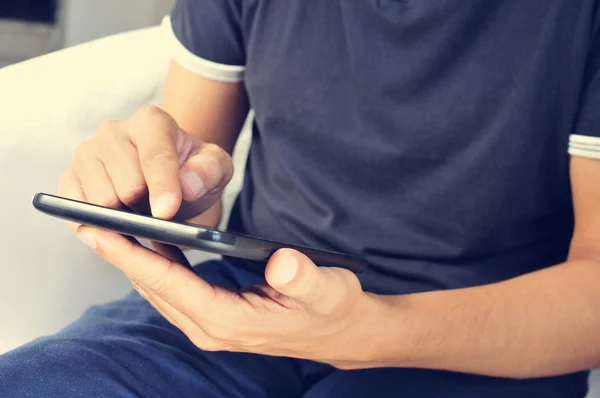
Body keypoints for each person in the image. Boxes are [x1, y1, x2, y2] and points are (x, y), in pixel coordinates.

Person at [1, 1, 600, 396]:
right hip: (250, 295)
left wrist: (370, 332)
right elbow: (193, 187)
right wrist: (161, 181)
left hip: (475, 339)